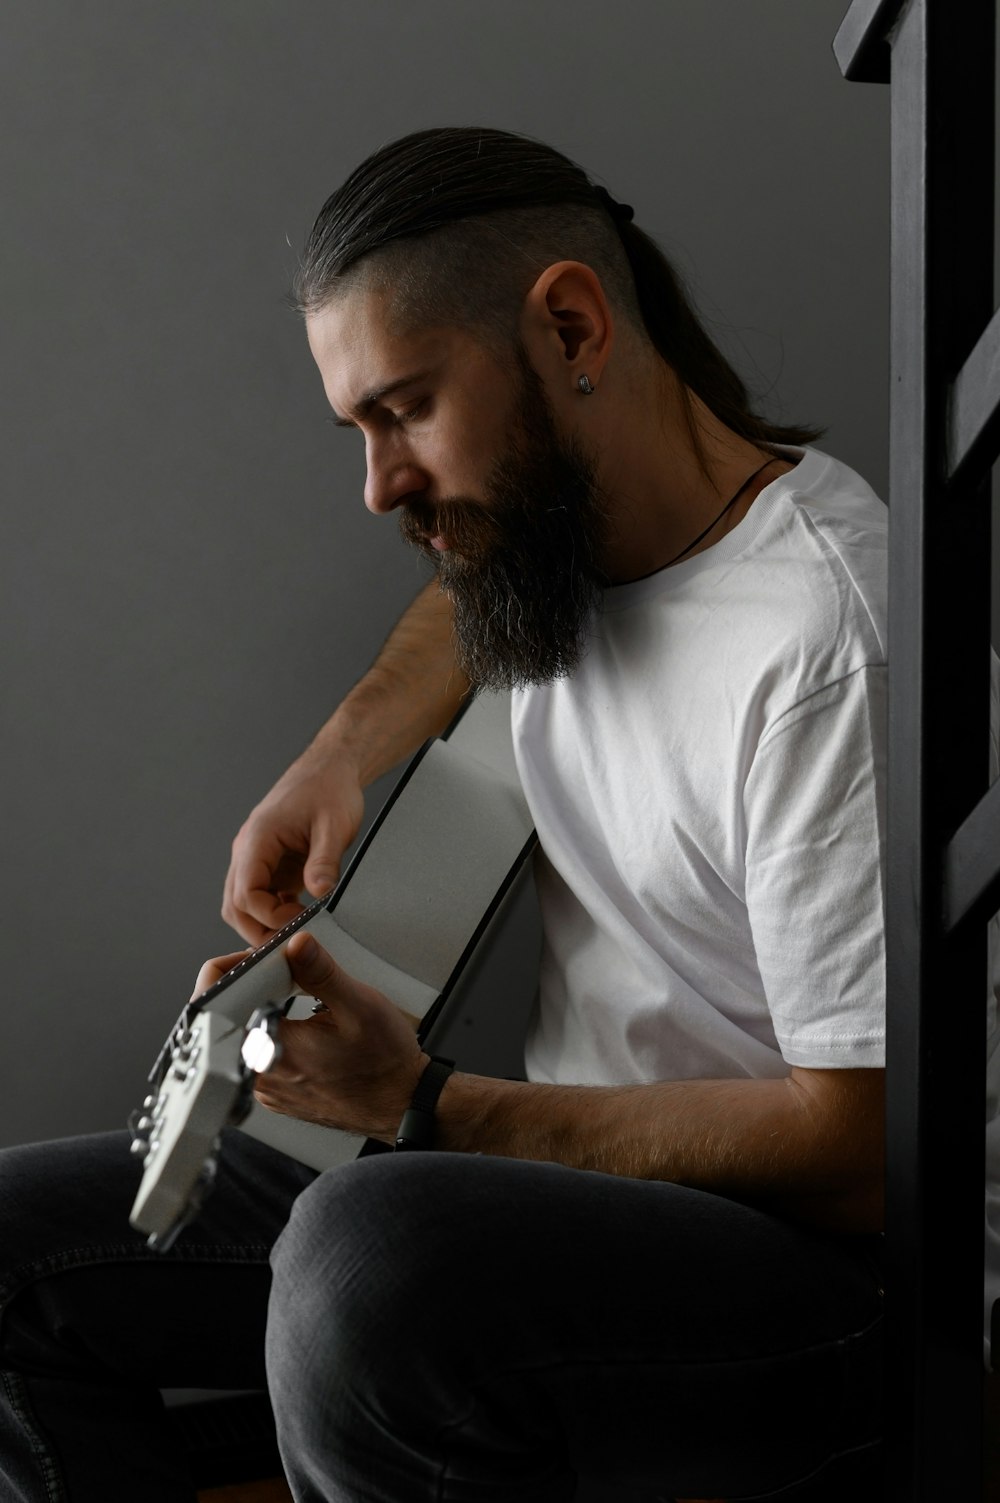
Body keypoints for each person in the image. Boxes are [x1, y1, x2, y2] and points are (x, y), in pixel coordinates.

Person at [0, 127, 886, 1502]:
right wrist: (344, 751)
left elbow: (861, 1146)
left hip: (824, 1271)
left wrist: (422, 1104)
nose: (378, 485)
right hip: (567, 1190)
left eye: (404, 411)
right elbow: (472, 589)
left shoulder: (829, 642)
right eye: (359, 428)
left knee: (367, 1254)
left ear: (572, 325)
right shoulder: (572, 537)